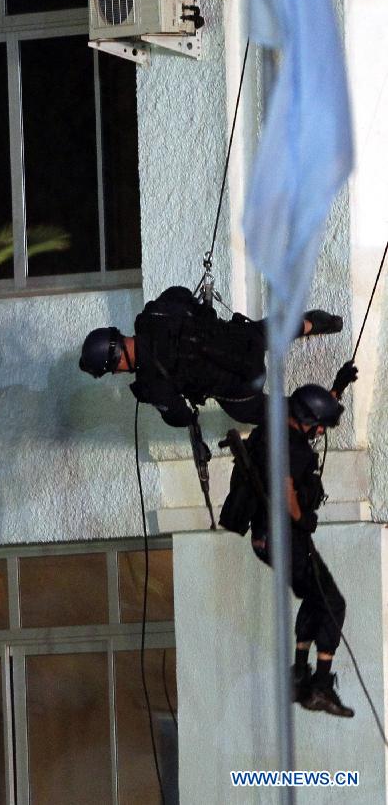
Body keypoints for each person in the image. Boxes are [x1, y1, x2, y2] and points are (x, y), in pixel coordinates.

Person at [221, 370, 358, 717]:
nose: (323, 432)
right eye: (321, 425)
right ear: (307, 421)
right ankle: (320, 687)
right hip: (284, 538)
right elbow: (286, 493)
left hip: (266, 539)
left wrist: (336, 389)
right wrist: (302, 518)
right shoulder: (294, 450)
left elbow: (309, 410)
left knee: (316, 596)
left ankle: (298, 677)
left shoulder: (274, 430)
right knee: (333, 603)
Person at [79, 285, 343, 427]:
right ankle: (314, 324)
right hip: (243, 342)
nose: (117, 373)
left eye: (112, 370)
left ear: (116, 362)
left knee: (257, 413)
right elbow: (180, 293)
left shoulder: (150, 383)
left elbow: (180, 417)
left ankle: (311, 415)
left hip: (240, 388)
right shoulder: (153, 316)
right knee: (265, 331)